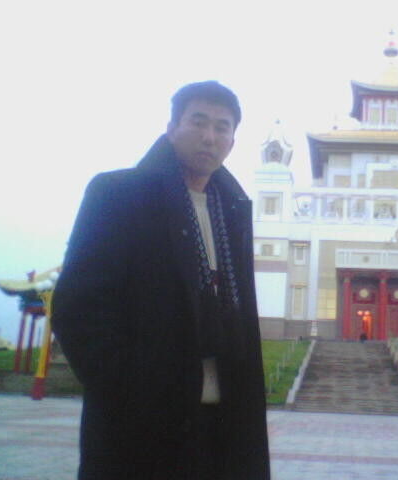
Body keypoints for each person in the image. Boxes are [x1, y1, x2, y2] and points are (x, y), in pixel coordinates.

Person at [52, 81, 270, 479]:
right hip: (143, 422)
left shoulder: (232, 209)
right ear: (172, 128)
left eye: (221, 127)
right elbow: (77, 308)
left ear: (232, 141)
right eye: (198, 122)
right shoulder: (118, 194)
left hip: (222, 424)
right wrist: (126, 388)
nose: (209, 137)